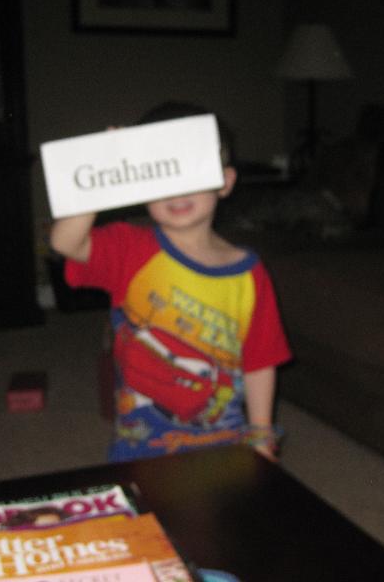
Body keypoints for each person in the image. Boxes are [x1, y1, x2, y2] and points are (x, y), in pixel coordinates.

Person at [50, 102, 291, 462]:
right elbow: (64, 243)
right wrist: (103, 166)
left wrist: (261, 437)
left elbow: (259, 362)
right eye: (163, 177)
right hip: (141, 447)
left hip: (226, 446)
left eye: (191, 174)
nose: (177, 193)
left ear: (225, 183)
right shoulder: (129, 248)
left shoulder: (248, 273)